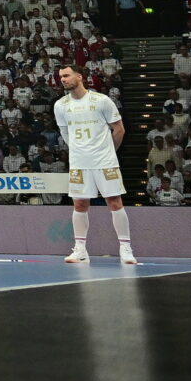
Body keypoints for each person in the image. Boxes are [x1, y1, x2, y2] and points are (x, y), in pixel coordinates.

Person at [55, 65, 137, 265]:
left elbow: (119, 130)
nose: (63, 79)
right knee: (80, 204)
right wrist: (79, 151)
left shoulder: (101, 100)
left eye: (66, 75)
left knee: (115, 202)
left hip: (104, 161)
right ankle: (80, 250)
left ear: (79, 76)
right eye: (61, 77)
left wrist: (109, 152)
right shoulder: (60, 105)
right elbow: (66, 134)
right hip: (79, 163)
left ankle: (125, 249)